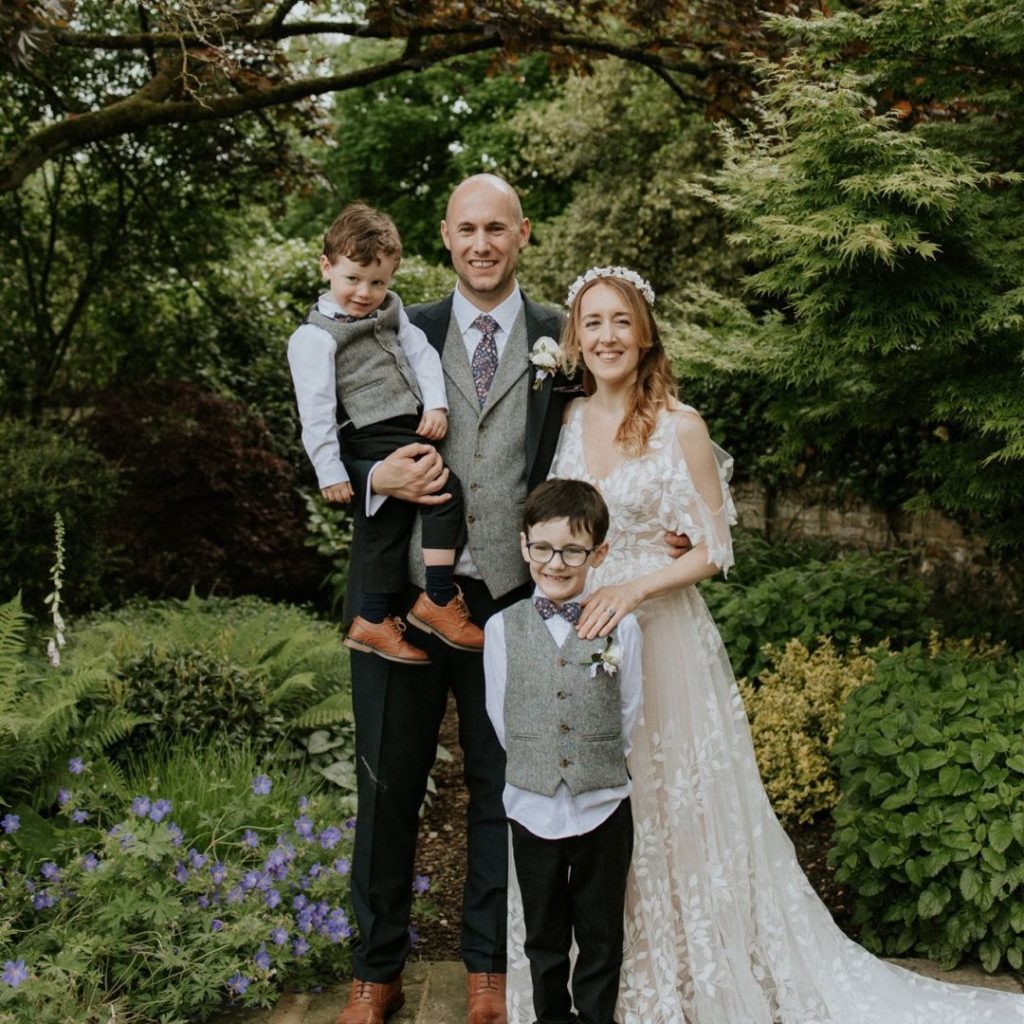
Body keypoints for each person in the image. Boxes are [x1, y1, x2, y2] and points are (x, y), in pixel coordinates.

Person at [505, 265, 1024, 1024]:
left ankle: (679, 974)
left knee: (663, 807)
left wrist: (633, 588)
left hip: (661, 635)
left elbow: (713, 548)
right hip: (580, 642)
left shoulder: (682, 425)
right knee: (590, 809)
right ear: (574, 338)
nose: (607, 335)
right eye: (593, 322)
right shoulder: (561, 419)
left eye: (622, 321)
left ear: (645, 333)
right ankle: (590, 982)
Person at [333, 175, 575, 1024]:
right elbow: (340, 426)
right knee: (386, 788)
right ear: (445, 236)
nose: (482, 243)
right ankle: (376, 973)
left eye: (497, 229)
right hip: (402, 597)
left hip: (512, 602)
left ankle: (487, 973)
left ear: (523, 236)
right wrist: (372, 475)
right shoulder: (399, 325)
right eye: (467, 228)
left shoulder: (562, 338)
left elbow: (605, 437)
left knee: (501, 788)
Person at [287, 201, 483, 665]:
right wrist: (331, 471)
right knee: (443, 491)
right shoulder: (314, 338)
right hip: (369, 430)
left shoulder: (392, 313)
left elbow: (422, 357)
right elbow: (313, 410)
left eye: (378, 282)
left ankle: (372, 619)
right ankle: (437, 598)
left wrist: (435, 403)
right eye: (352, 278)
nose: (364, 292)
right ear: (327, 266)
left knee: (387, 524)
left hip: (403, 423)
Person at [484, 478, 643, 1024]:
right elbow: (501, 716)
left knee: (601, 936)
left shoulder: (621, 626)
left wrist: (591, 757)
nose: (556, 562)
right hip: (532, 807)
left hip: (603, 803)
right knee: (544, 936)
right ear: (524, 545)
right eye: (544, 548)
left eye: (573, 549)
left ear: (597, 553)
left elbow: (628, 710)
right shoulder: (501, 629)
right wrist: (541, 760)